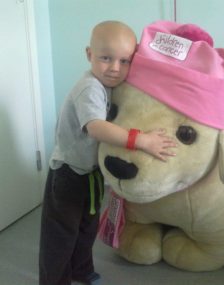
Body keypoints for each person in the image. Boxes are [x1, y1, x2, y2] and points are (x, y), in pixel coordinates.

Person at [39, 20, 176, 285]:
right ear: (89, 54)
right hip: (68, 172)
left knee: (86, 228)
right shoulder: (89, 87)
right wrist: (141, 141)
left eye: (124, 61)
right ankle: (54, 280)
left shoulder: (110, 85)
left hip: (90, 173)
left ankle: (81, 270)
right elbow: (96, 128)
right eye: (106, 58)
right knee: (61, 233)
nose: (115, 68)